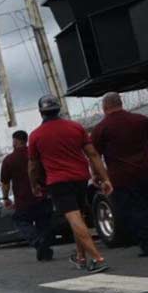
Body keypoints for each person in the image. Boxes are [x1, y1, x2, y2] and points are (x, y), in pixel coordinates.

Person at [28, 94, 113, 273]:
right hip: (80, 179)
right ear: (58, 109)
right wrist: (105, 178)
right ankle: (81, 257)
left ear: (41, 112)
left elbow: (33, 166)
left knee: (74, 218)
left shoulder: (35, 135)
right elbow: (93, 154)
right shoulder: (76, 127)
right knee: (78, 218)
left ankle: (97, 259)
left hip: (58, 182)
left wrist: (34, 184)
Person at [90, 92, 148, 257]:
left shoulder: (101, 128)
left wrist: (97, 175)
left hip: (121, 177)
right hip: (146, 171)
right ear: (121, 103)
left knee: (133, 211)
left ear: (105, 107)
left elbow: (95, 156)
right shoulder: (140, 120)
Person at [0, 130, 55, 261]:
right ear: (26, 140)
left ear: (15, 141)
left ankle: (38, 241)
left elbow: (5, 182)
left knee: (20, 221)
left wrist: (6, 198)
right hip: (42, 195)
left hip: (23, 199)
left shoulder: (9, 160)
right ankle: (44, 248)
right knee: (43, 223)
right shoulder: (37, 154)